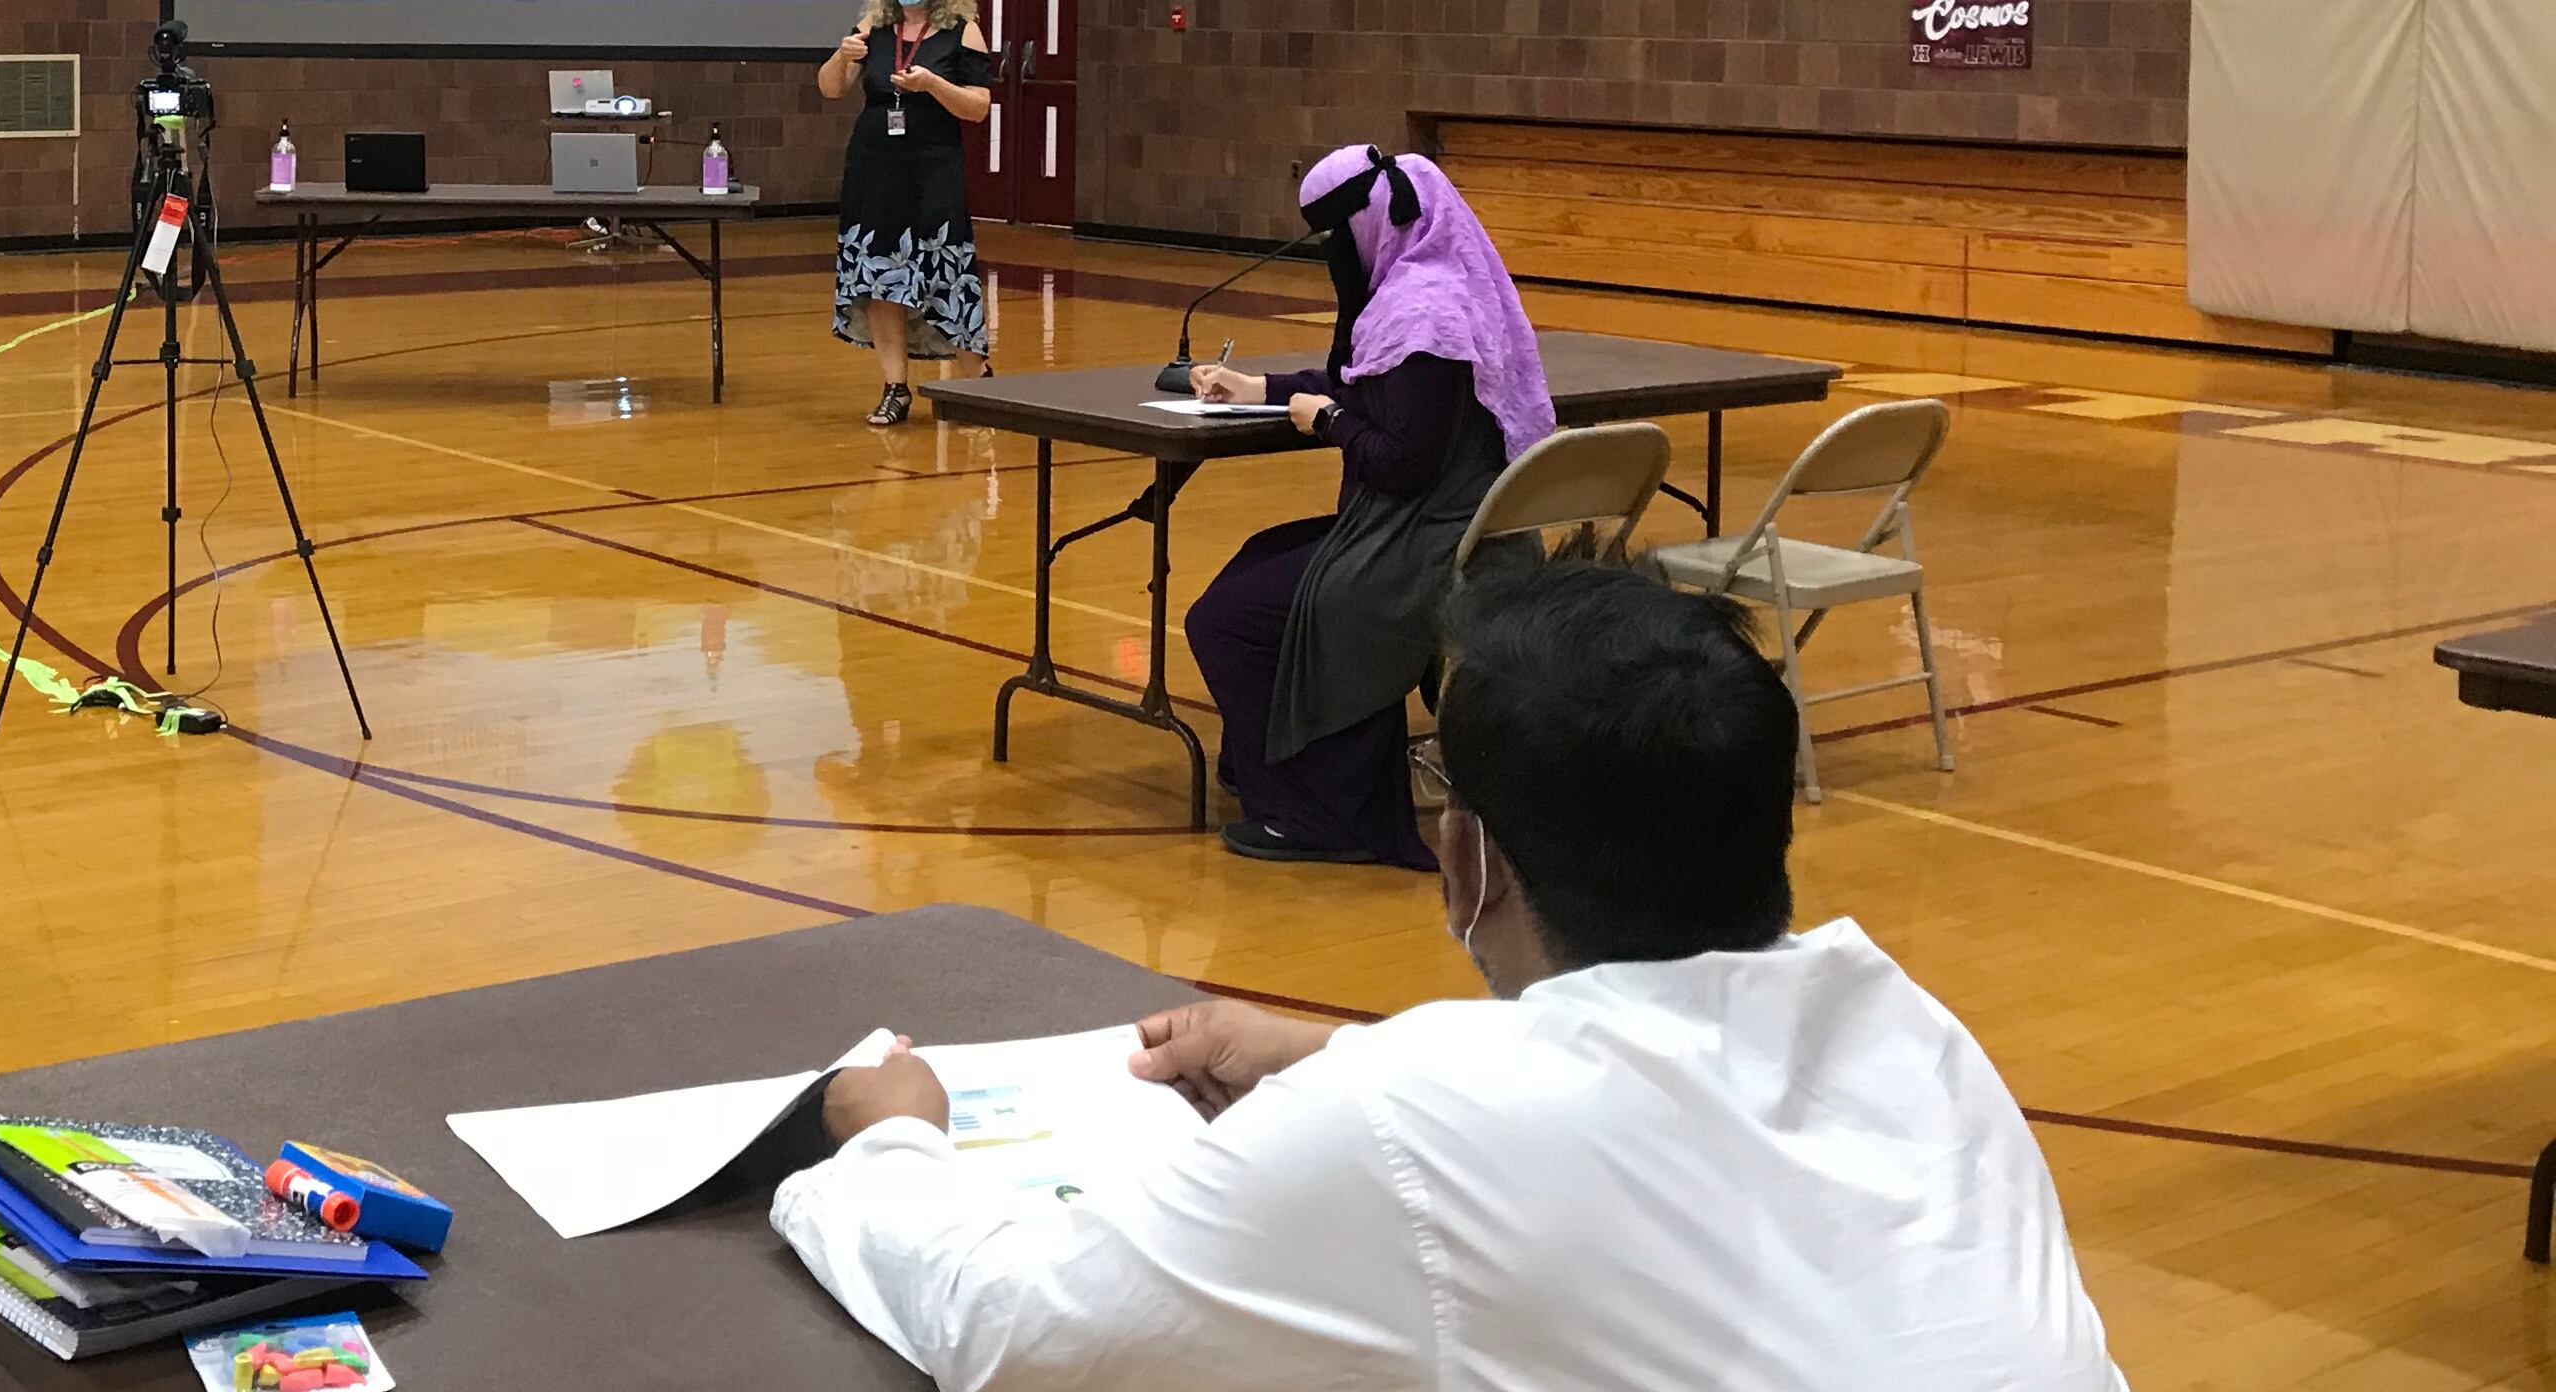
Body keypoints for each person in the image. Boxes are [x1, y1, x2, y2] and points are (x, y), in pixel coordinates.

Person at [775, 562, 2128, 1390]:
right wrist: (1330, 1057)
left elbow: (1018, 1337)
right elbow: (1629, 1106)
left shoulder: (1419, 1121)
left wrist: (892, 1143)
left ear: (1466, 859)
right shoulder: (1909, 1028)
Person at [1180, 144, 1553, 867]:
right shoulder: (1443, 287)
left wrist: (1324, 422)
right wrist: (1259, 388)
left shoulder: (1422, 316)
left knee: (1228, 621)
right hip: (1451, 524)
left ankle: (1320, 816)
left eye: (1331, 236)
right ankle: (1267, 768)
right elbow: (1371, 385)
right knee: (1260, 560)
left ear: (1367, 223)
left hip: (1426, 542)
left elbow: (1400, 461)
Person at [817, 0, 996, 426]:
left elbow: (978, 107)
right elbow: (832, 89)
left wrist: (932, 84)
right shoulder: (873, 27)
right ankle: (895, 386)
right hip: (875, 166)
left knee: (947, 271)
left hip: (933, 167)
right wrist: (841, 55)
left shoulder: (962, 31)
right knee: (880, 278)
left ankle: (975, 381)